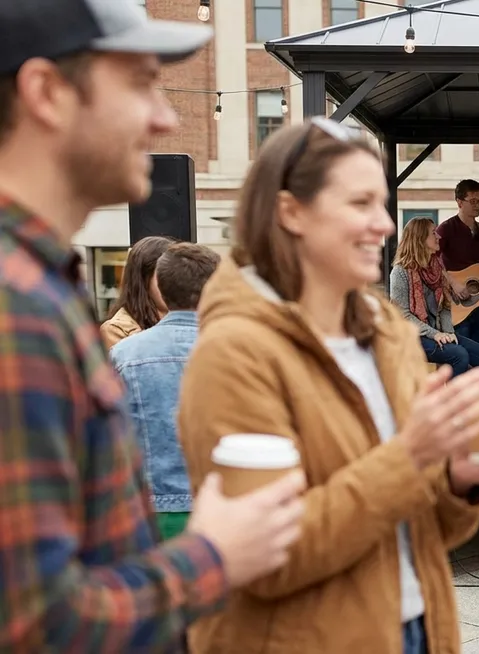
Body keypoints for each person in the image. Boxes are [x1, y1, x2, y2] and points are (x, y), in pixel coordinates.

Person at [0, 1, 306, 650]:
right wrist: (215, 555)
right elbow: (39, 623)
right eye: (141, 84)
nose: (166, 118)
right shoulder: (18, 305)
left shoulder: (42, 284)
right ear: (46, 93)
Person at [176, 118, 479, 653]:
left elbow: (421, 527)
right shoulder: (234, 354)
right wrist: (412, 456)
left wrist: (459, 477)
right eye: (360, 204)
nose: (384, 225)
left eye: (382, 205)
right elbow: (270, 562)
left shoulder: (382, 330)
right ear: (290, 212)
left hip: (416, 627)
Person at [111, 242, 222, 540]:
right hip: (222, 509)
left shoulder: (124, 354)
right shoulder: (241, 350)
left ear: (160, 285)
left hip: (149, 509)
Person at [391, 216, 479, 377]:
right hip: (413, 336)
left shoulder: (437, 268)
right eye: (433, 233)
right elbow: (403, 315)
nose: (439, 236)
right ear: (420, 238)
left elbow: (444, 307)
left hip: (437, 332)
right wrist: (435, 334)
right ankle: (453, 394)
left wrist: (449, 332)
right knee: (459, 355)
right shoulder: (400, 272)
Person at [436, 178, 479, 347]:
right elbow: (431, 260)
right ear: (459, 202)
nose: (478, 205)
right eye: (473, 201)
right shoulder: (446, 229)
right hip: (456, 306)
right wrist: (454, 283)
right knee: (461, 355)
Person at [100, 234, 173, 350]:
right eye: (163, 276)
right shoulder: (116, 329)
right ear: (143, 279)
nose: (172, 284)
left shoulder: (188, 320)